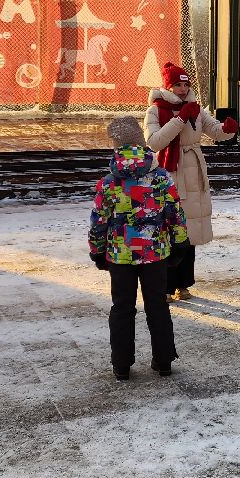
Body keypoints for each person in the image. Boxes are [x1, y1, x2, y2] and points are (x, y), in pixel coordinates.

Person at [89, 115, 188, 380]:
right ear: (141, 143)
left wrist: (97, 250)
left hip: (120, 256)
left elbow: (99, 220)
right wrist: (179, 243)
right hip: (154, 253)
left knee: (122, 307)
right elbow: (175, 213)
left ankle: (121, 365)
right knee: (157, 304)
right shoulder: (160, 177)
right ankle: (164, 360)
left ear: (117, 146)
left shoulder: (109, 182)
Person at [144, 60, 238, 300]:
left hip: (193, 172)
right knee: (168, 230)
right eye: (177, 85)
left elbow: (213, 129)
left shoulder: (195, 107)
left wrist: (228, 129)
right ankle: (164, 286)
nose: (183, 90)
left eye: (185, 85)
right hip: (168, 173)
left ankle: (183, 284)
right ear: (168, 86)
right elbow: (154, 142)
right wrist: (179, 119)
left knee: (191, 230)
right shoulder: (156, 109)